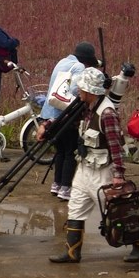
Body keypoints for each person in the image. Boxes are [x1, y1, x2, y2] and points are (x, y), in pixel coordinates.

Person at [49, 67, 139, 264]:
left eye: (82, 89)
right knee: (75, 207)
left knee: (117, 211)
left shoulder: (107, 113)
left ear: (90, 91)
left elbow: (116, 146)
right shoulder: (87, 107)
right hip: (85, 168)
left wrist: (118, 175)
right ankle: (72, 252)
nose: (78, 91)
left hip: (103, 173)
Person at [41, 41, 99, 201]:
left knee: (59, 151)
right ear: (86, 61)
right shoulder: (79, 67)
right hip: (65, 116)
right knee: (70, 152)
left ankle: (56, 184)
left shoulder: (62, 62)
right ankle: (65, 188)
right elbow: (75, 89)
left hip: (50, 114)